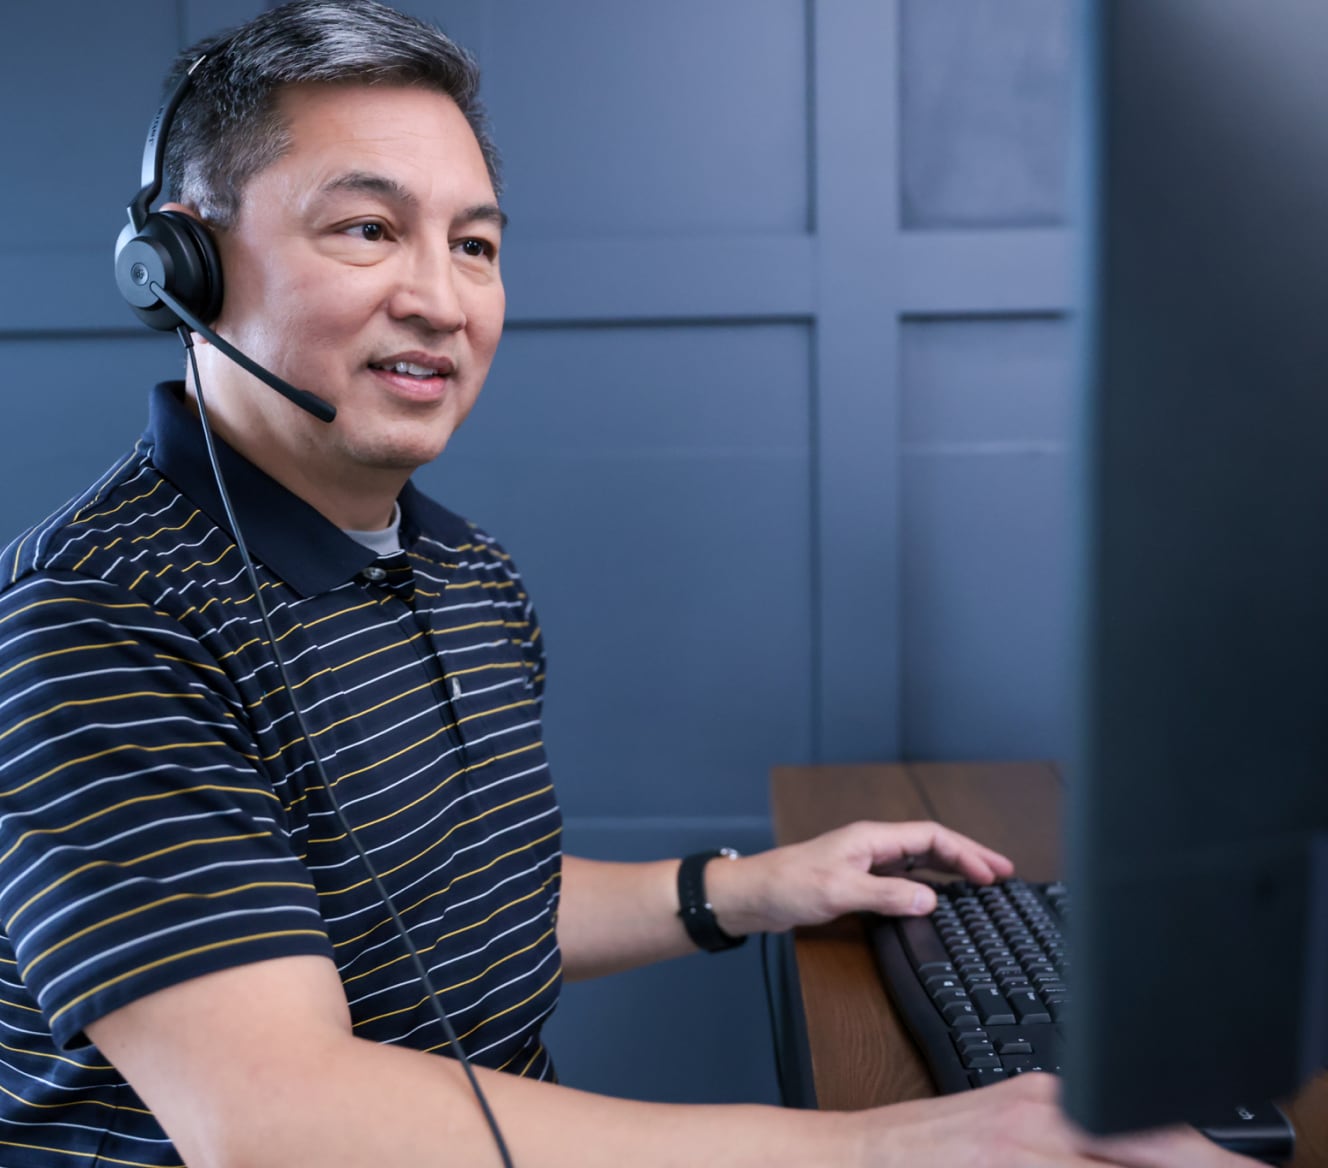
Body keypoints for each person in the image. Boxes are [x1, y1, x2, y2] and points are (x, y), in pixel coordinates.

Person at [0, 4, 1258, 1166]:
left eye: (475, 244)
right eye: (367, 228)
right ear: (181, 269)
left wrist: (747, 886)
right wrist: (877, 1147)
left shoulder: (461, 570)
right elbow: (274, 1116)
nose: (440, 299)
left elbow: (460, 904)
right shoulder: (95, 618)